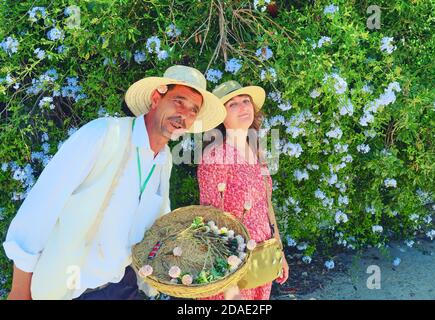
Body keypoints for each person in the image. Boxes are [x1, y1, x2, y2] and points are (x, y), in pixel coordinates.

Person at [3, 65, 226, 300]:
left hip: (124, 285)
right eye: (179, 101)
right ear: (155, 98)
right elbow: (40, 208)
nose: (185, 115)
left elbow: (158, 228)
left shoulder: (164, 159)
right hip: (72, 289)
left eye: (193, 110)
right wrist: (19, 291)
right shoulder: (104, 134)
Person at [197, 80, 289, 300]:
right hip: (232, 264)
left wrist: (279, 252)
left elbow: (266, 205)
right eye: (233, 104)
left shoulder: (256, 150)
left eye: (246, 101)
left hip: (262, 258)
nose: (243, 107)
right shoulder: (215, 156)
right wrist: (229, 285)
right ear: (221, 116)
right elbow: (210, 221)